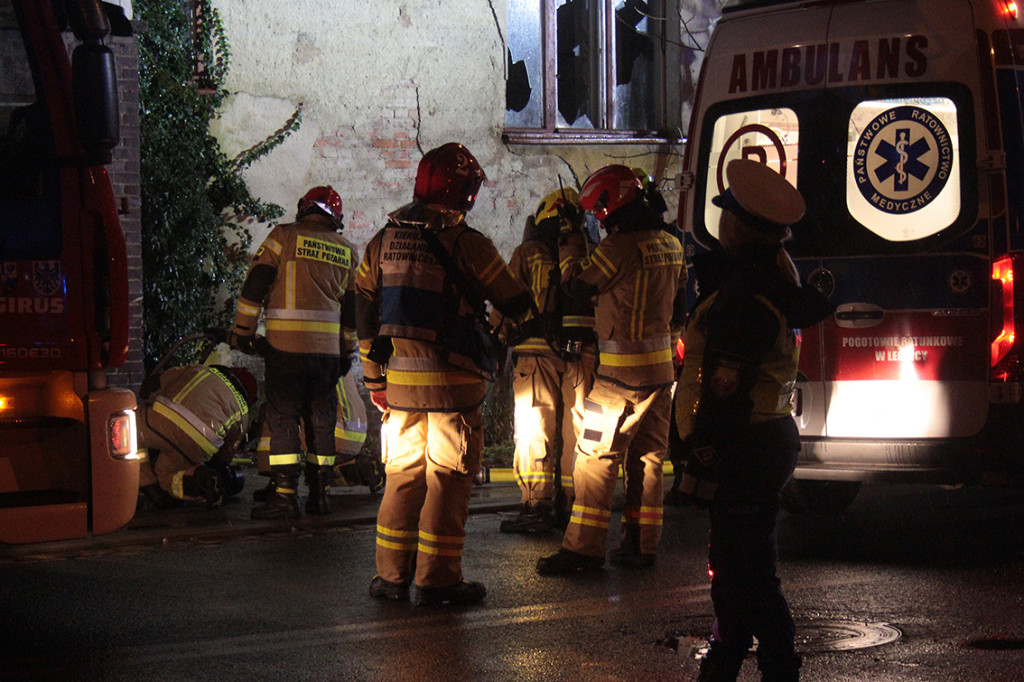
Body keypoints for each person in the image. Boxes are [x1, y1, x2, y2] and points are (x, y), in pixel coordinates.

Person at [675, 159, 832, 682]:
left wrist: (703, 450)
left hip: (744, 445)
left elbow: (725, 389)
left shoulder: (744, 298)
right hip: (763, 442)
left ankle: (761, 664)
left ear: (737, 227)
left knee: (745, 571)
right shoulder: (767, 283)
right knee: (744, 566)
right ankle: (736, 654)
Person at [355, 142, 532, 606]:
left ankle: (390, 579)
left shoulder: (384, 240)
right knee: (448, 483)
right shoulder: (469, 244)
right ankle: (438, 581)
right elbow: (514, 301)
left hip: (399, 390)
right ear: (465, 192)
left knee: (402, 479)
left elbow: (364, 311)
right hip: (453, 389)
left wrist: (374, 379)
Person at [536, 164, 687, 574]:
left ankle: (582, 550)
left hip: (620, 377)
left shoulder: (618, 248)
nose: (600, 220)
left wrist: (570, 243)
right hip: (661, 374)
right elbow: (683, 306)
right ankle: (642, 545)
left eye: (600, 212)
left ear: (612, 206)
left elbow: (577, 288)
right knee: (649, 459)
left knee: (594, 458)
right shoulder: (672, 244)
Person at [229, 185, 359, 519]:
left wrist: (243, 332)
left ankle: (286, 496)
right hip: (328, 355)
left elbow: (256, 283)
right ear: (336, 218)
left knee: (283, 419)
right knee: (322, 421)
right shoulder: (347, 250)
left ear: (303, 208)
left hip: (286, 349)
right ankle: (320, 495)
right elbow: (352, 312)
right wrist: (347, 352)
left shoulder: (284, 237)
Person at [499, 187, 595, 534]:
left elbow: (504, 299)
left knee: (533, 429)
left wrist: (497, 342)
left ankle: (536, 508)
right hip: (582, 354)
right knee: (581, 432)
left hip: (535, 354)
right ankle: (575, 506)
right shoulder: (589, 251)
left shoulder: (527, 253)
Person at [137, 364, 255, 509]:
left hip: (162, 421)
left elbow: (151, 387)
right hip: (200, 443)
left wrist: (151, 401)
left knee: (132, 428)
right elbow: (225, 456)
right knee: (169, 477)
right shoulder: (243, 411)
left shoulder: (202, 370)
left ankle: (146, 483)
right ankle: (200, 481)